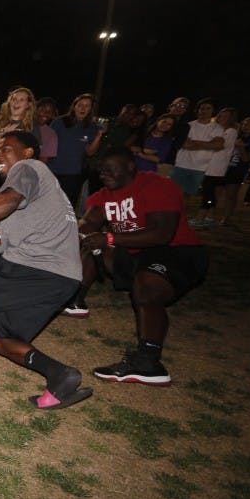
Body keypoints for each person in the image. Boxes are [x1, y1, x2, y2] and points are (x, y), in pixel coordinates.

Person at [0, 132, 91, 409]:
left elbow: (8, 201)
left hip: (33, 269)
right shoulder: (42, 190)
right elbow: (12, 235)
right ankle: (61, 375)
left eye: (7, 149)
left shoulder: (29, 168)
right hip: (62, 280)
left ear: (29, 152)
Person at [77, 147, 208, 385]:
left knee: (147, 287)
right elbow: (90, 222)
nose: (104, 173)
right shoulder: (102, 195)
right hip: (134, 253)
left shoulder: (157, 185)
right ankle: (75, 299)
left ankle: (149, 361)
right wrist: (76, 229)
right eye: (100, 170)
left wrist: (109, 238)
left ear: (130, 166)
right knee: (88, 244)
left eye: (110, 168)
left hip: (177, 252)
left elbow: (162, 233)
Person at [49, 93, 105, 212]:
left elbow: (90, 152)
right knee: (49, 203)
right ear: (74, 106)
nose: (83, 108)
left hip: (73, 175)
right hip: (53, 171)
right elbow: (47, 147)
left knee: (66, 206)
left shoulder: (91, 127)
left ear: (91, 109)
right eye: (80, 105)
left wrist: (99, 135)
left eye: (87, 106)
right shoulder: (59, 122)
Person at [191, 107, 237, 227]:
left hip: (216, 168)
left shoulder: (231, 131)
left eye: (227, 116)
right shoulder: (216, 128)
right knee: (210, 193)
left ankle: (200, 217)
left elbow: (218, 145)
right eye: (221, 115)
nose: (223, 118)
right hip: (207, 165)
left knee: (208, 193)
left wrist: (199, 142)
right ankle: (210, 217)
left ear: (231, 119)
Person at [170, 98, 224, 198]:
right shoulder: (188, 125)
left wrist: (195, 142)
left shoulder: (217, 128)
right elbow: (186, 145)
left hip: (200, 168)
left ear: (213, 111)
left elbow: (219, 145)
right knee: (172, 193)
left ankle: (181, 213)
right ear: (197, 110)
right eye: (202, 108)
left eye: (208, 108)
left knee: (187, 195)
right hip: (181, 164)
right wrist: (209, 144)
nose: (204, 111)